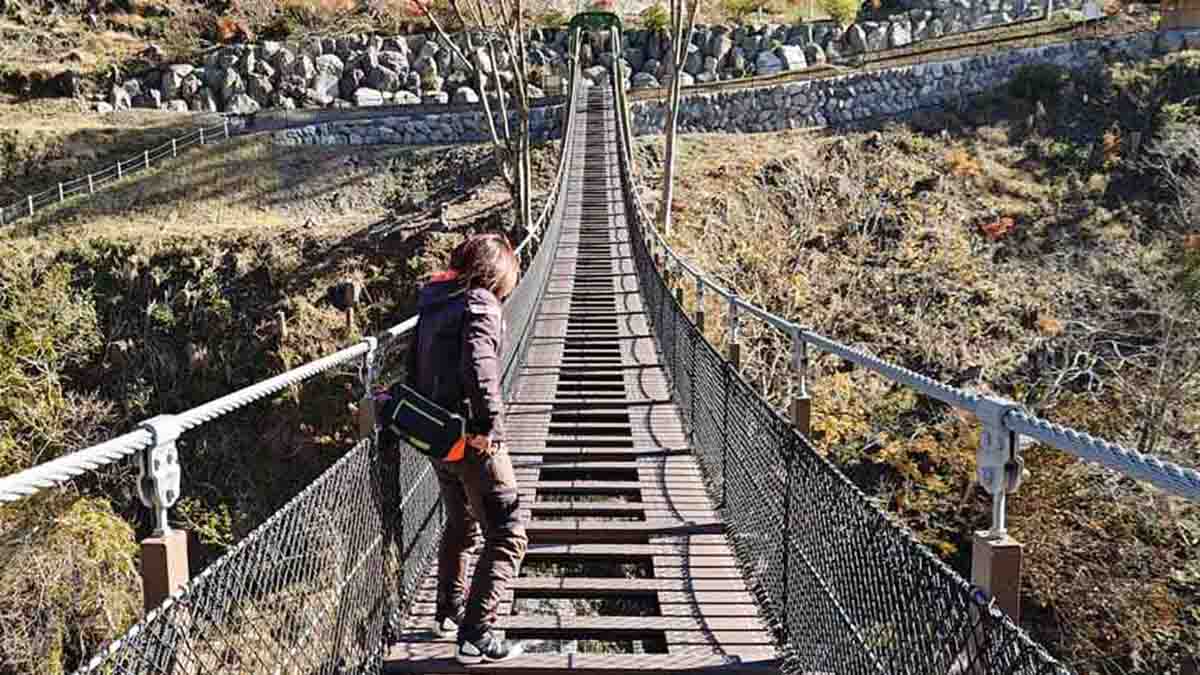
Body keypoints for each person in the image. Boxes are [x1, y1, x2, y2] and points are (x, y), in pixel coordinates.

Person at [404, 232, 527, 664]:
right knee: (508, 532)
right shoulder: (481, 304)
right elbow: (480, 365)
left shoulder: (435, 305)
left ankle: (449, 613)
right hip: (473, 441)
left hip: (438, 436)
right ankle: (478, 634)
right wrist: (489, 427)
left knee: (462, 527)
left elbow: (414, 369)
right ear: (497, 271)